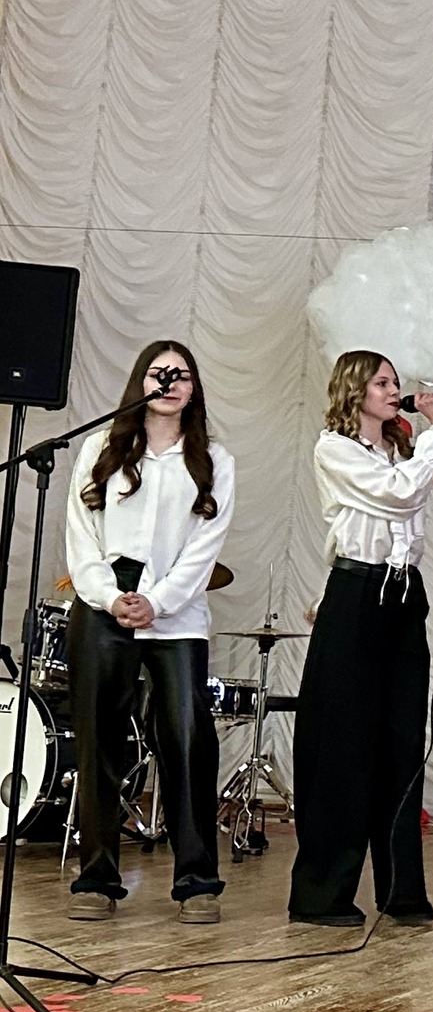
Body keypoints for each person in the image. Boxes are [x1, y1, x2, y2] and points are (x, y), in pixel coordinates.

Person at [287, 351, 433, 927]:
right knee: (343, 744)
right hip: (358, 591)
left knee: (401, 742)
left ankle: (402, 890)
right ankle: (322, 894)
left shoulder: (402, 450)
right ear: (355, 389)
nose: (394, 390)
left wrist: (428, 437)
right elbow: (397, 495)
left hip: (404, 593)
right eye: (382, 382)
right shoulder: (334, 449)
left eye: (395, 383)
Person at [63, 342, 234, 924]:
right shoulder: (100, 448)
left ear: (194, 388)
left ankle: (197, 881)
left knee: (186, 739)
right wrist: (111, 597)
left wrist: (156, 603)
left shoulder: (214, 459)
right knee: (99, 742)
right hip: (103, 604)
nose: (170, 383)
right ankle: (97, 877)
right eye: (160, 374)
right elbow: (81, 536)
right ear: (141, 382)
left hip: (176, 613)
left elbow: (204, 549)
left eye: (182, 375)